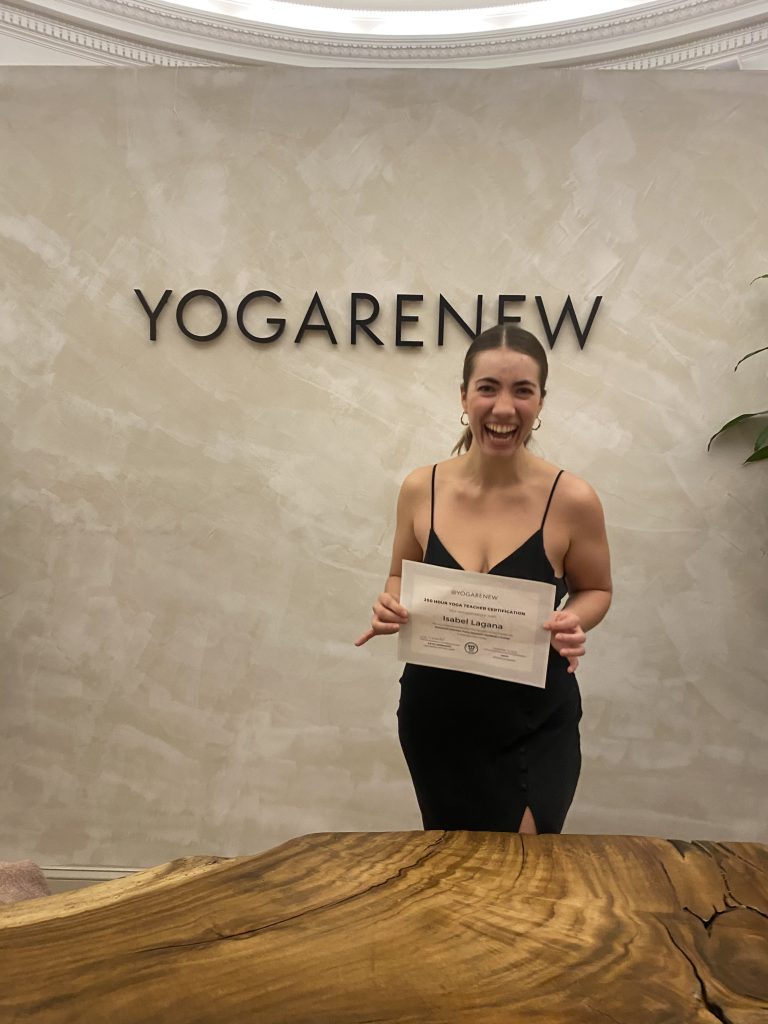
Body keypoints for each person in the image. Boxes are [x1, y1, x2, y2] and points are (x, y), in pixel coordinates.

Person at [355, 323, 612, 835]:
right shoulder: (420, 488)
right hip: (437, 721)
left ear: (541, 402)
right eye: (488, 388)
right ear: (465, 396)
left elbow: (596, 590)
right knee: (452, 879)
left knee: (525, 876)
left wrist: (571, 620)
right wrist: (389, 605)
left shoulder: (572, 498)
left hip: (533, 722)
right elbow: (397, 577)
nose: (503, 408)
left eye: (523, 390)